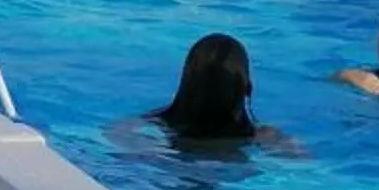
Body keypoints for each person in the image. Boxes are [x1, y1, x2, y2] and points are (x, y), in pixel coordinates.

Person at [125, 32, 303, 154]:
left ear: (186, 82)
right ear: (247, 88)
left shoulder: (150, 123)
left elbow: (117, 138)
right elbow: (302, 166)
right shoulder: (267, 137)